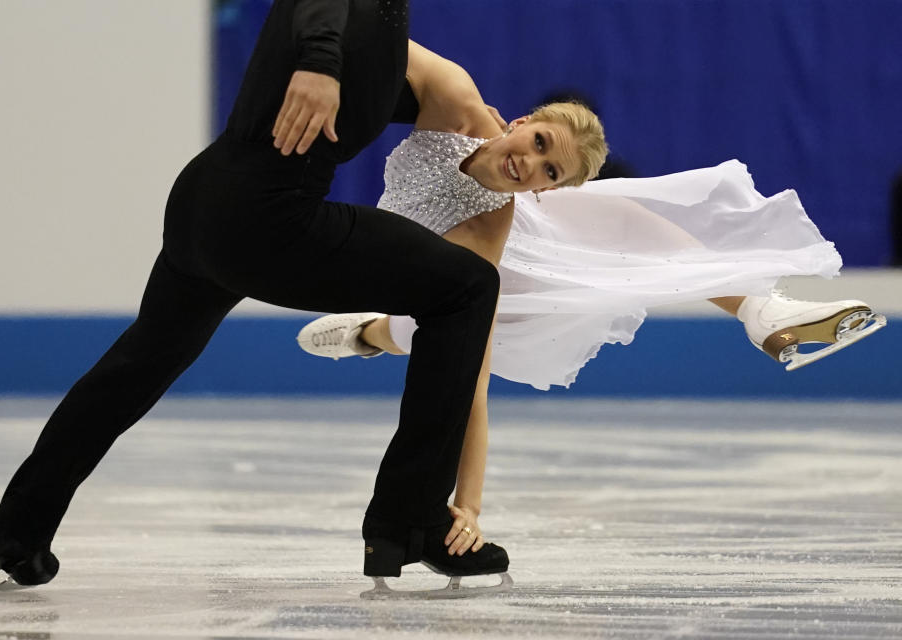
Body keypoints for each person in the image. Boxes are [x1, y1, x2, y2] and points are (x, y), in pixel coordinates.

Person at [0, 1, 511, 598]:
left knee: (133, 369)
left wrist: (477, 127)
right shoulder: (352, 21)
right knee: (467, 288)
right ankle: (409, 521)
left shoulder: (394, 46)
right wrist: (320, 64)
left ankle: (15, 531)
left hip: (208, 203)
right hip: (269, 215)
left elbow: (401, 92)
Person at [297, 41, 886, 554]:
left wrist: (469, 504)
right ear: (521, 120)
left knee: (618, 223)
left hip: (510, 261)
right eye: (539, 142)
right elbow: (387, 40)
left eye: (550, 172)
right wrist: (313, 60)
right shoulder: (460, 104)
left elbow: (469, 383)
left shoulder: (489, 232)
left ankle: (763, 310)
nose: (530, 164)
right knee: (407, 331)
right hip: (422, 265)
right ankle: (364, 333)